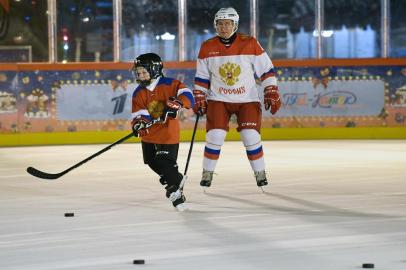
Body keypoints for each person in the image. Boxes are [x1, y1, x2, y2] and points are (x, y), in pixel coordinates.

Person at [193, 7, 281, 189]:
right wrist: (199, 95)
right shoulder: (207, 47)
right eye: (220, 23)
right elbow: (202, 77)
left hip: (247, 100)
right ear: (215, 25)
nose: (223, 27)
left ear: (235, 25)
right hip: (218, 99)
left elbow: (266, 70)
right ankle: (207, 173)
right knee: (214, 136)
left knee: (250, 136)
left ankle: (260, 173)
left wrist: (270, 90)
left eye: (228, 23)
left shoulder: (250, 43)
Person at [131, 53, 194, 211]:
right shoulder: (138, 93)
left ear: (155, 70)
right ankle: (176, 179)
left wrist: (178, 104)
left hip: (168, 134)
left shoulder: (170, 84)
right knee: (151, 161)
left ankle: (174, 191)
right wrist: (139, 124)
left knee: (163, 161)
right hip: (150, 136)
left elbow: (188, 95)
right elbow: (139, 115)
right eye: (138, 72)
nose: (141, 75)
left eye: (144, 72)